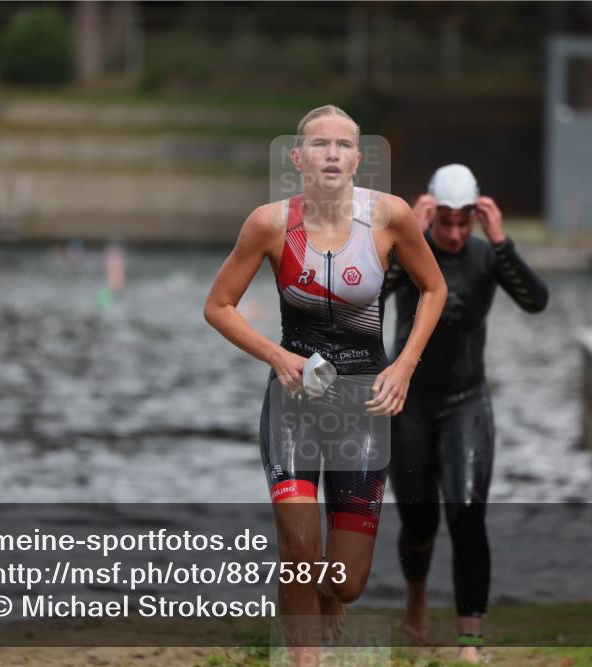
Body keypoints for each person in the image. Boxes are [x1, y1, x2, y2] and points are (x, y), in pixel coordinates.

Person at [204, 105, 447, 666]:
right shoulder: (270, 224)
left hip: (362, 403)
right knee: (298, 547)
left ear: (359, 159)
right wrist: (275, 354)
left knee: (346, 580)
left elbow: (434, 290)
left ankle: (326, 596)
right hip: (294, 400)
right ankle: (303, 660)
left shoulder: (390, 218)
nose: (332, 153)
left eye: (343, 145)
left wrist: (405, 363)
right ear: (298, 158)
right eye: (320, 144)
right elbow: (218, 306)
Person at [384, 164, 549, 663]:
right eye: (445, 223)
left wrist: (501, 242)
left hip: (466, 402)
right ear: (431, 214)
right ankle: (415, 601)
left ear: (477, 217)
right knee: (418, 520)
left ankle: (470, 642)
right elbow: (368, 298)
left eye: (464, 223)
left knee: (468, 514)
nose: (454, 234)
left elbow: (536, 301)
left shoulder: (485, 253)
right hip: (408, 401)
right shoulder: (411, 251)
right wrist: (405, 232)